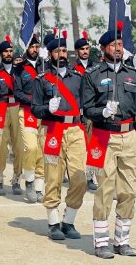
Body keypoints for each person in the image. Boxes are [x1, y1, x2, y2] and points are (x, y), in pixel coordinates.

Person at [83, 24, 136, 258]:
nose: (118, 48)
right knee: (105, 189)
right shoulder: (93, 74)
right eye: (113, 44)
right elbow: (87, 109)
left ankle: (122, 240)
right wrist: (101, 112)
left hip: (129, 135)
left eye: (120, 44)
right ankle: (101, 242)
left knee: (130, 190)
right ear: (103, 48)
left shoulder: (131, 74)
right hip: (104, 135)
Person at [32, 32, 87, 241]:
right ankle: (53, 222)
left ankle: (69, 221)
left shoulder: (79, 78)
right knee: (53, 177)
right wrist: (47, 108)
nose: (62, 54)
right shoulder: (42, 79)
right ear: (50, 54)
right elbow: (35, 109)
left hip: (74, 130)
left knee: (79, 177)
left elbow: (85, 105)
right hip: (52, 130)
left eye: (64, 50)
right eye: (57, 51)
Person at [0, 35, 22, 196]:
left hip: (17, 108)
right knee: (1, 148)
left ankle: (16, 179)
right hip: (0, 108)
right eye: (5, 52)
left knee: (19, 147)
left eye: (10, 51)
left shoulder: (20, 71)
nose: (9, 54)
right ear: (0, 54)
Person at [14, 34, 45, 203]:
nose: (35, 49)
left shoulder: (45, 66)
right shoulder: (19, 69)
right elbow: (17, 93)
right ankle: (30, 181)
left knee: (42, 150)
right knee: (31, 148)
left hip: (45, 114)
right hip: (27, 113)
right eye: (32, 47)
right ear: (26, 48)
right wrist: (34, 101)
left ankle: (39, 186)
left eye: (37, 46)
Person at [73, 31, 98, 192]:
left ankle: (90, 176)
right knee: (80, 146)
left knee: (92, 144)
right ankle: (77, 174)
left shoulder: (96, 67)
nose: (85, 51)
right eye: (82, 49)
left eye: (87, 48)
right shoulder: (72, 69)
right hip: (77, 112)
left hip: (93, 111)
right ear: (77, 51)